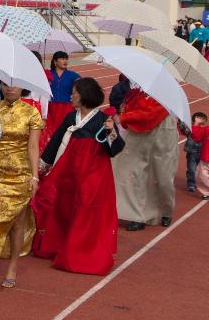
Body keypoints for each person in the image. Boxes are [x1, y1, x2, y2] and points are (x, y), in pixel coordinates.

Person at [32, 77, 124, 274]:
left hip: (94, 174)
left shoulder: (102, 120)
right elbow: (55, 142)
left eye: (75, 92)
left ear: (85, 95)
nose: (71, 95)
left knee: (86, 210)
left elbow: (116, 149)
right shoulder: (69, 118)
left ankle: (80, 254)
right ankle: (59, 245)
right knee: (63, 207)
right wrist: (42, 166)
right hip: (69, 170)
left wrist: (111, 132)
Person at [0, 83, 44, 290]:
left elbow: (33, 147)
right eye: (6, 85)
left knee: (17, 223)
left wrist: (35, 177)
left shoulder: (31, 112)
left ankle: (12, 266)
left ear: (22, 88)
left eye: (15, 86)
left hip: (20, 173)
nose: (10, 89)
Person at [111, 86, 178, 230]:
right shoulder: (138, 92)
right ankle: (138, 215)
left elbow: (151, 115)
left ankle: (166, 211)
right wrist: (124, 111)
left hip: (163, 135)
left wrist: (124, 116)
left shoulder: (169, 94)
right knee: (135, 174)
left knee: (162, 177)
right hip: (139, 134)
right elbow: (132, 110)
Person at [45, 52, 80, 147]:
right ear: (55, 62)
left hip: (66, 107)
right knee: (50, 132)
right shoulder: (47, 74)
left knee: (64, 131)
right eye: (62, 58)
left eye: (66, 59)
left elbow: (81, 89)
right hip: (50, 107)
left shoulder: (73, 75)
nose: (65, 61)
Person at [187, 113, 209, 198]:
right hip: (205, 157)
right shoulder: (206, 129)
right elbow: (195, 136)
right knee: (199, 175)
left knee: (202, 175)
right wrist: (196, 124)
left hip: (206, 158)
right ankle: (207, 193)